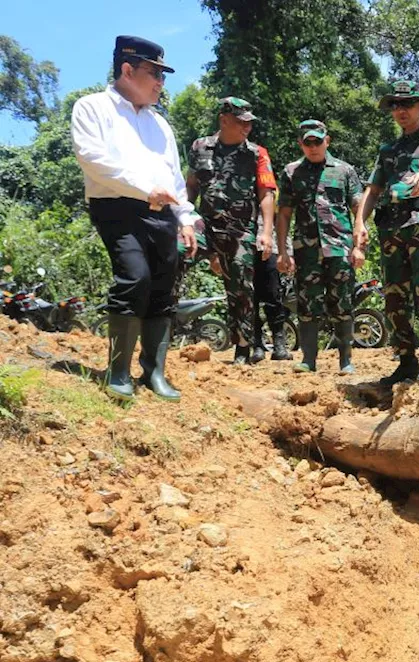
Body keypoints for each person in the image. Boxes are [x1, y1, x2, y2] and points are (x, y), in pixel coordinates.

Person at [71, 36, 196, 402]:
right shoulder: (92, 108)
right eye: (154, 72)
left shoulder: (161, 124)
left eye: (163, 74)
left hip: (163, 214)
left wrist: (185, 218)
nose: (160, 82)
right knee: (134, 278)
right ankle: (119, 370)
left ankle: (154, 373)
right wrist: (144, 188)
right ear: (127, 70)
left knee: (162, 288)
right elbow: (93, 159)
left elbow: (174, 177)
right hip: (117, 208)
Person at [355, 80, 419, 386]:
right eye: (395, 105)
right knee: (394, 298)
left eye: (407, 104)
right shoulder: (388, 150)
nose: (400, 110)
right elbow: (372, 191)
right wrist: (360, 223)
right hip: (391, 231)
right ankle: (407, 362)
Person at [186, 96, 277, 365]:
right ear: (224, 120)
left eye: (249, 123)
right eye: (240, 122)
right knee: (175, 252)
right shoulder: (199, 147)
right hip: (205, 224)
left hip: (240, 229)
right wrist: (183, 218)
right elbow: (191, 185)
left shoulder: (257, 154)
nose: (246, 128)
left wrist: (266, 232)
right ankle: (159, 326)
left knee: (240, 288)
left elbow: (266, 194)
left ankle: (242, 347)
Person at [276, 120, 366, 374]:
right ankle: (308, 360)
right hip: (306, 251)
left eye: (318, 141)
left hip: (340, 249)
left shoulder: (344, 170)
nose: (313, 147)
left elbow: (358, 209)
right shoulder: (291, 172)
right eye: (308, 142)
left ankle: (346, 360)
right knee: (307, 304)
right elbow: (284, 214)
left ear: (327, 141)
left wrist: (359, 247)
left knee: (343, 303)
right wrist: (283, 251)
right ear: (301, 144)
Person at [251, 209, 292, 362]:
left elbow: (281, 219)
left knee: (273, 297)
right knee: (250, 299)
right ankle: (256, 344)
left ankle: (279, 344)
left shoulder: (272, 189)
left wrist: (287, 251)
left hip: (270, 248)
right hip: (245, 246)